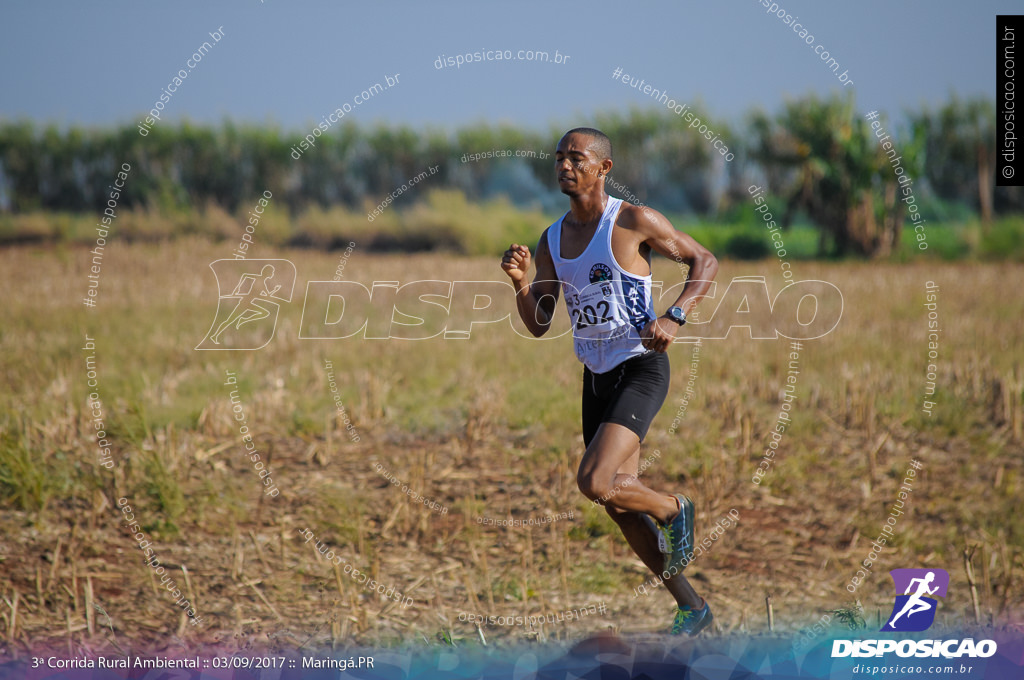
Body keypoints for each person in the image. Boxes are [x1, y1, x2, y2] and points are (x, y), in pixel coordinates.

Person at [500, 128, 719, 636]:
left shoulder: (632, 220)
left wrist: (676, 315)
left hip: (641, 366)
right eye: (559, 158)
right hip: (595, 377)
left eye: (576, 158)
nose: (564, 166)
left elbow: (704, 260)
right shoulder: (552, 240)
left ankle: (673, 507)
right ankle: (693, 607)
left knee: (594, 482)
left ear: (604, 168)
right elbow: (540, 322)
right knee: (618, 500)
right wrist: (520, 284)